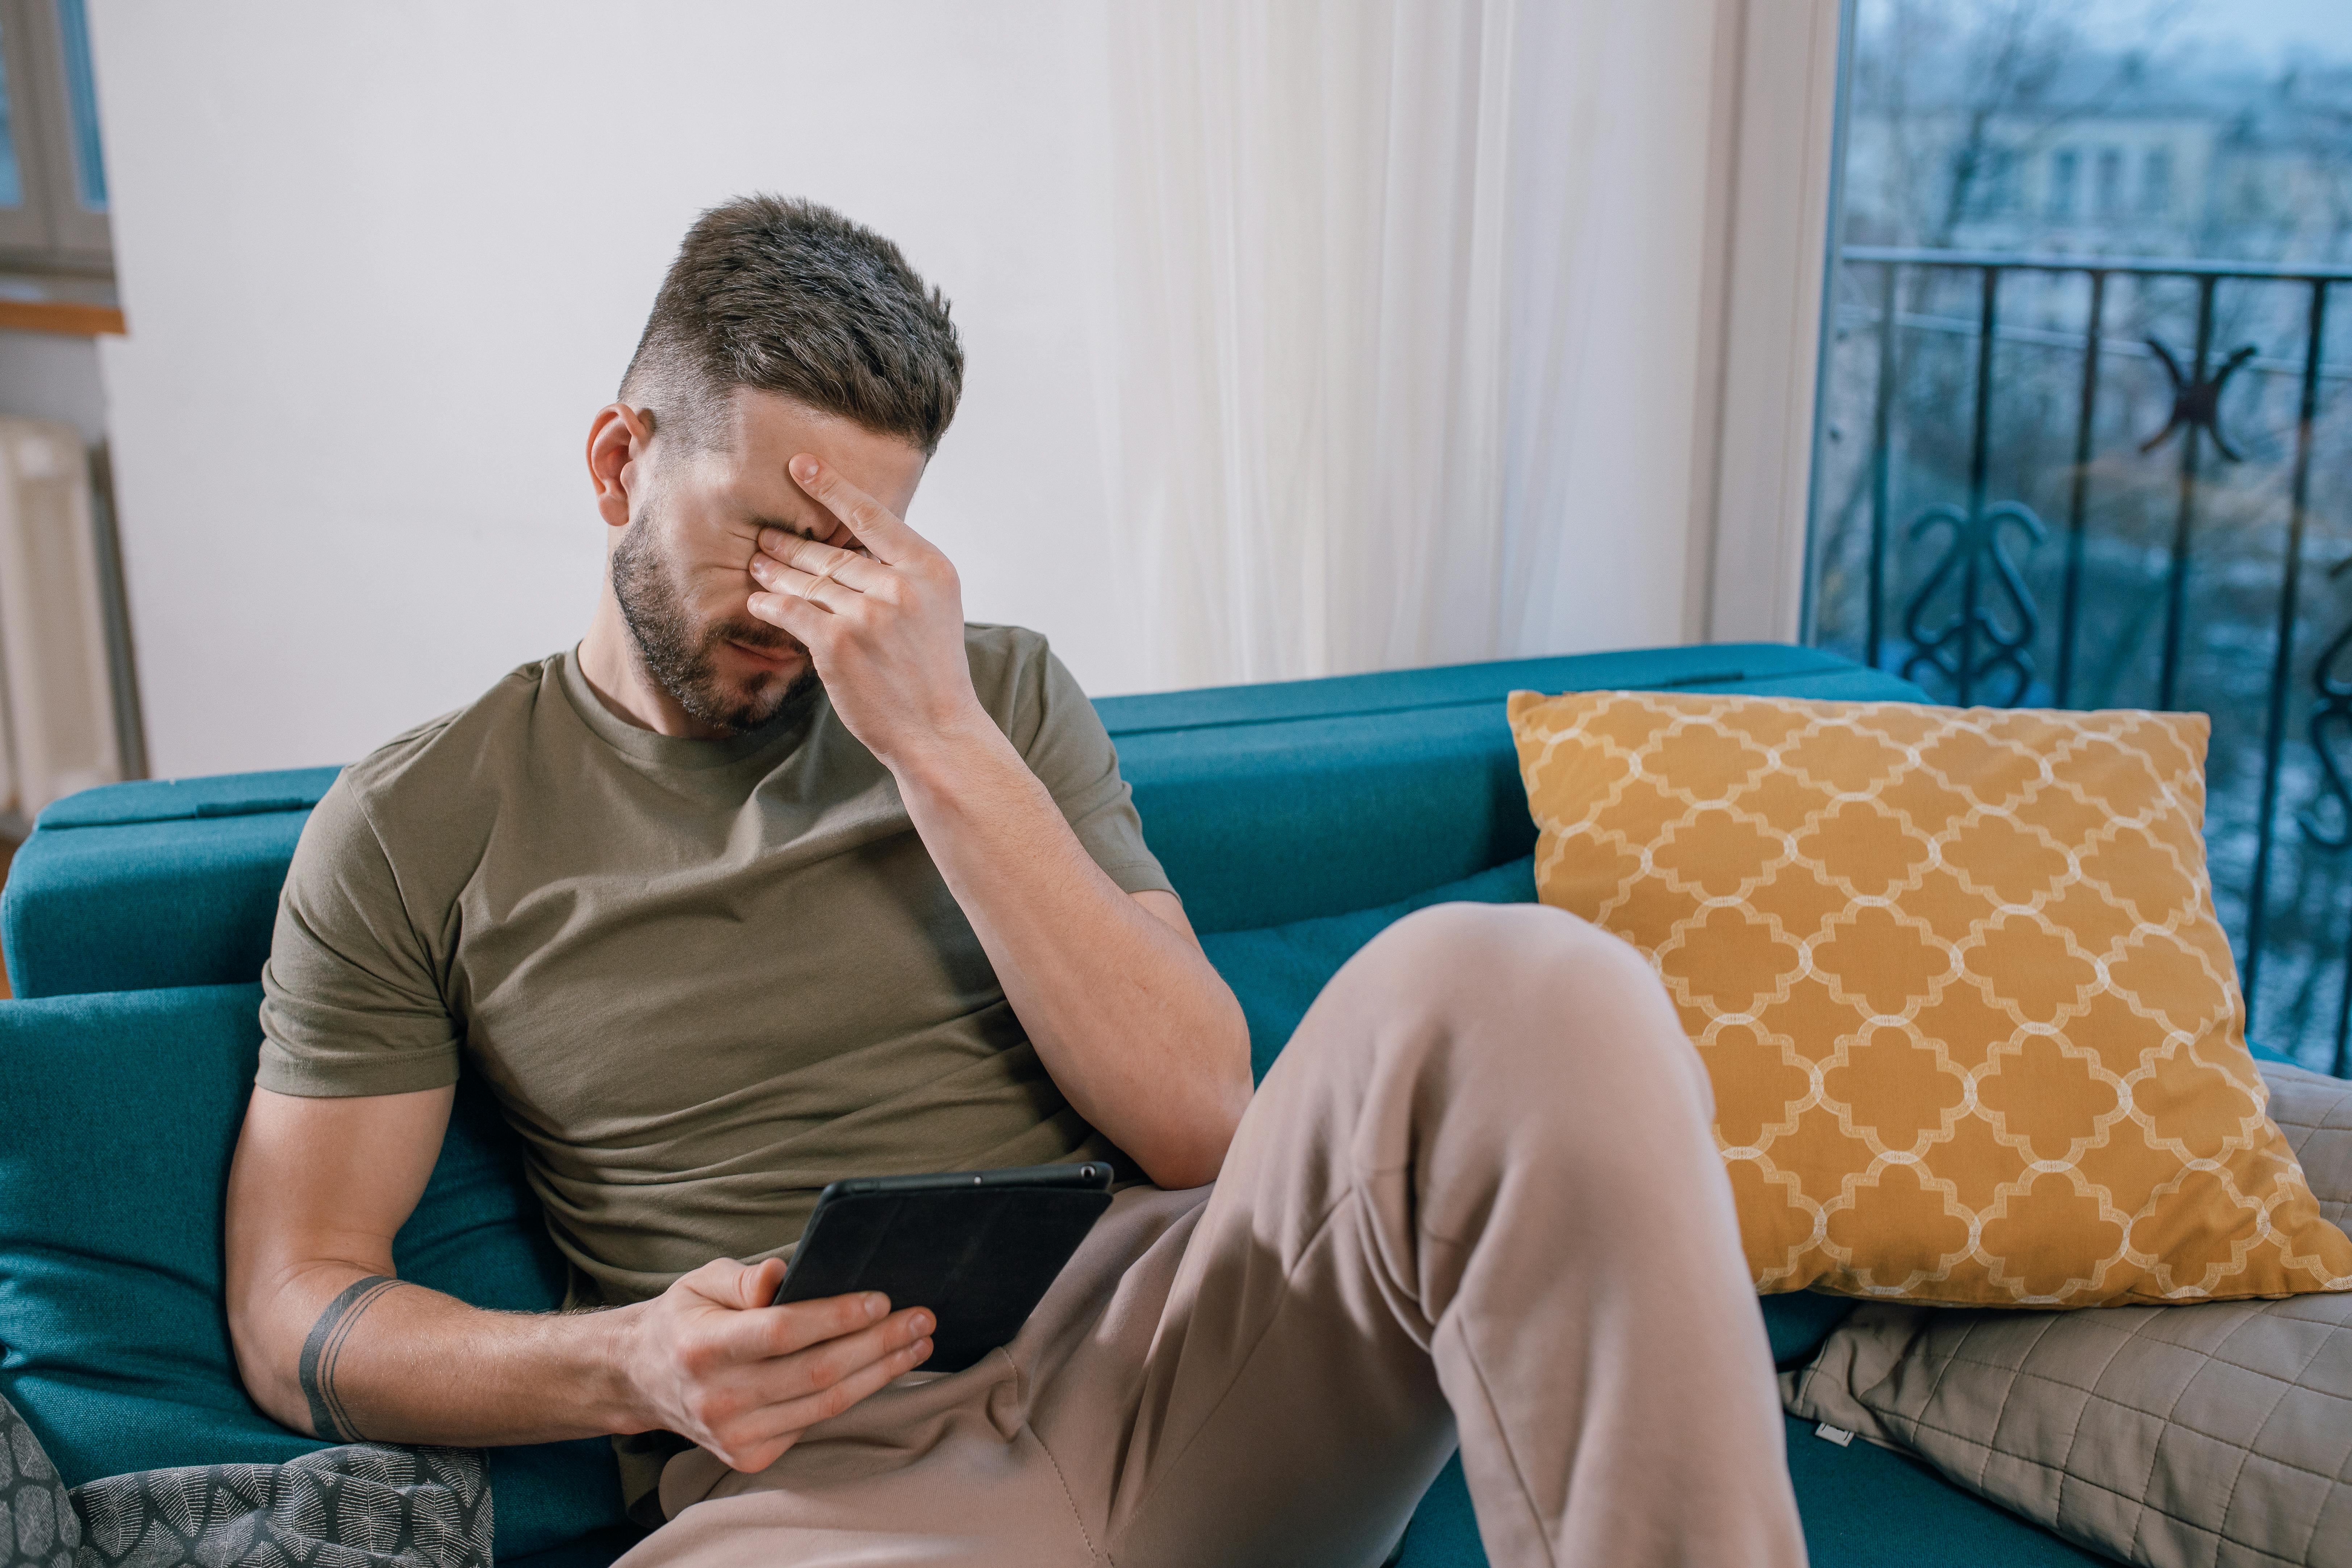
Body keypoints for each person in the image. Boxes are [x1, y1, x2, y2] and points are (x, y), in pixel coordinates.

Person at [224, 194, 1806, 1568]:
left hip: (1183, 1370)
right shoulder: (419, 822)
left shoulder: (993, 700)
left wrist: (934, 740)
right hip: (808, 1493)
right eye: (771, 533)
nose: (808, 601)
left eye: (859, 546)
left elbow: (1201, 1116)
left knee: (1526, 980)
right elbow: (297, 1305)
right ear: (620, 460)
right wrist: (629, 1360)